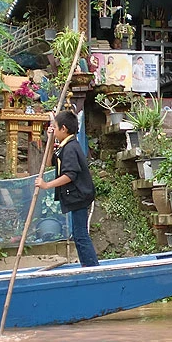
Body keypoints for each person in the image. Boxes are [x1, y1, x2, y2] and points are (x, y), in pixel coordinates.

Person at [35, 110, 99, 267]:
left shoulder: (71, 148)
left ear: (64, 129)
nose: (54, 131)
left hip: (80, 196)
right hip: (76, 197)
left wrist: (47, 185)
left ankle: (91, 267)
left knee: (80, 234)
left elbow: (70, 175)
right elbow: (50, 162)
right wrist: (50, 140)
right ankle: (88, 265)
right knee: (78, 234)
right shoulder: (65, 146)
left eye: (55, 128)